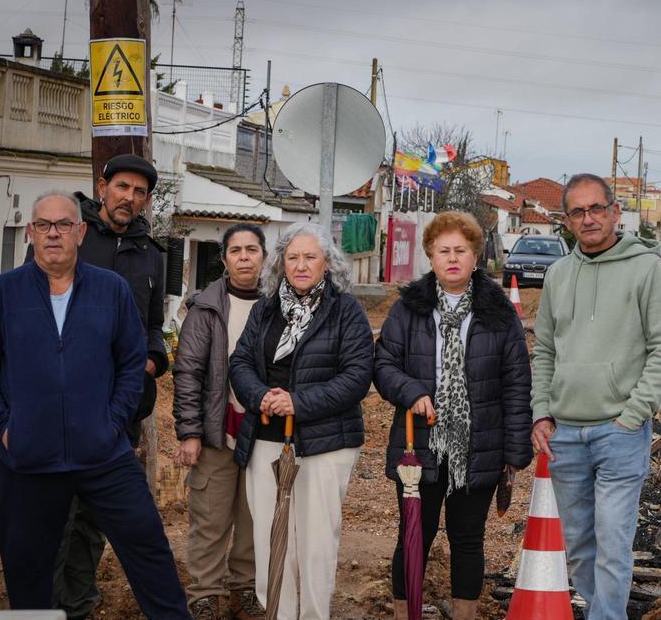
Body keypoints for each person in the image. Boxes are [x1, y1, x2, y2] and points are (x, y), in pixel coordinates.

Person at [0, 190, 190, 618]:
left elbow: (130, 362)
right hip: (28, 460)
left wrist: (112, 422)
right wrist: (6, 425)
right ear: (30, 233)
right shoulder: (2, 294)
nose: (54, 234)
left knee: (150, 549)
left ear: (81, 232)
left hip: (103, 455)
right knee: (27, 572)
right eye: (44, 226)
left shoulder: (111, 290)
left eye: (64, 225)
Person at [529, 174, 661, 620]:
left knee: (613, 547)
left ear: (616, 212)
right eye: (578, 211)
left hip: (619, 432)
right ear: (567, 221)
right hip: (565, 435)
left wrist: (632, 415)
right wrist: (542, 415)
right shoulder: (558, 275)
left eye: (597, 208)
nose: (589, 218)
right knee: (579, 550)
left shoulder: (646, 268)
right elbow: (544, 352)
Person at [28, 154, 171, 618]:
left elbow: (153, 324)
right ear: (102, 186)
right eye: (123, 187)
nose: (130, 197)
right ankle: (44, 603)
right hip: (62, 407)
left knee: (94, 516)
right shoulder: (71, 236)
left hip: (119, 411)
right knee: (52, 514)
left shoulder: (150, 252)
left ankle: (79, 601)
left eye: (140, 192)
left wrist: (152, 360)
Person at [374, 212, 532, 620]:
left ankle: (464, 614)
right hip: (419, 442)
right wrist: (412, 392)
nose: (452, 258)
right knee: (414, 535)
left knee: (467, 538)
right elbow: (384, 365)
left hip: (478, 445)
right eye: (443, 250)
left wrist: (515, 450)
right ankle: (403, 614)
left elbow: (517, 381)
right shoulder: (408, 309)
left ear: (476, 256)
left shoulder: (500, 314)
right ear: (430, 256)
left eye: (461, 250)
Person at [229, 222, 374, 620]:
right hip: (266, 439)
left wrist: (299, 402)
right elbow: (240, 362)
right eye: (292, 257)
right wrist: (262, 397)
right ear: (281, 263)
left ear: (327, 263)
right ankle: (276, 613)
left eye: (310, 257)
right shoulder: (265, 309)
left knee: (314, 545)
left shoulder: (346, 311)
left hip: (324, 445)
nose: (301, 264)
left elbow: (357, 376)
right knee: (271, 541)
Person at [172, 224, 269, 620]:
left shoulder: (279, 303)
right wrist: (190, 432)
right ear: (224, 258)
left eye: (252, 249)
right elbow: (188, 372)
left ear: (264, 256)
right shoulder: (206, 307)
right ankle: (204, 594)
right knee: (210, 517)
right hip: (216, 432)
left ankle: (245, 587)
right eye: (236, 250)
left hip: (263, 433)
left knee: (253, 516)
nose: (244, 257)